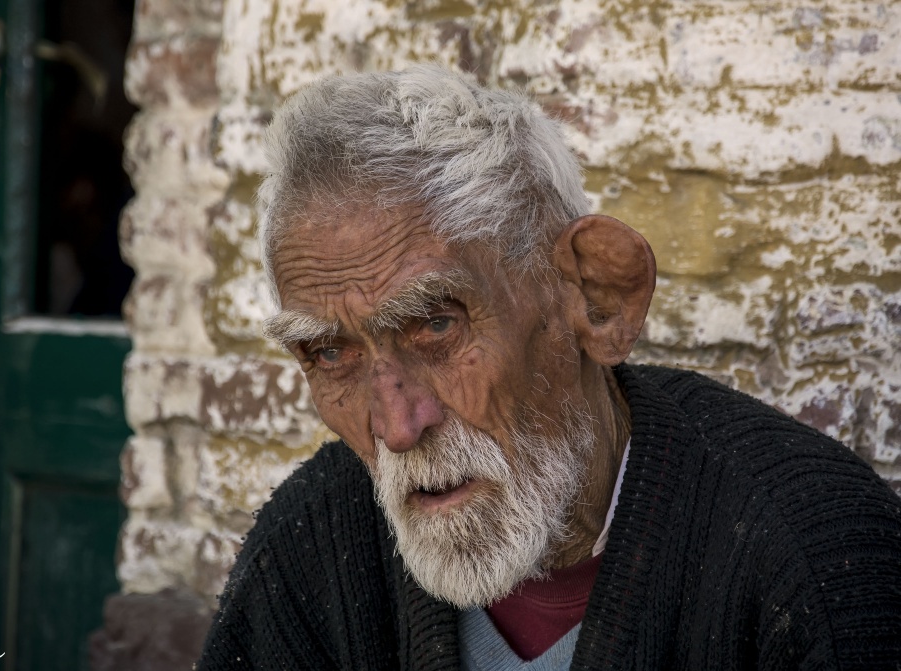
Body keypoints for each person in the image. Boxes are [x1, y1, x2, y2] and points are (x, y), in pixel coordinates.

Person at [197, 65, 901, 670]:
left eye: (437, 324)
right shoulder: (313, 549)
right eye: (331, 352)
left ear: (596, 297)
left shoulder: (816, 559)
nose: (397, 426)